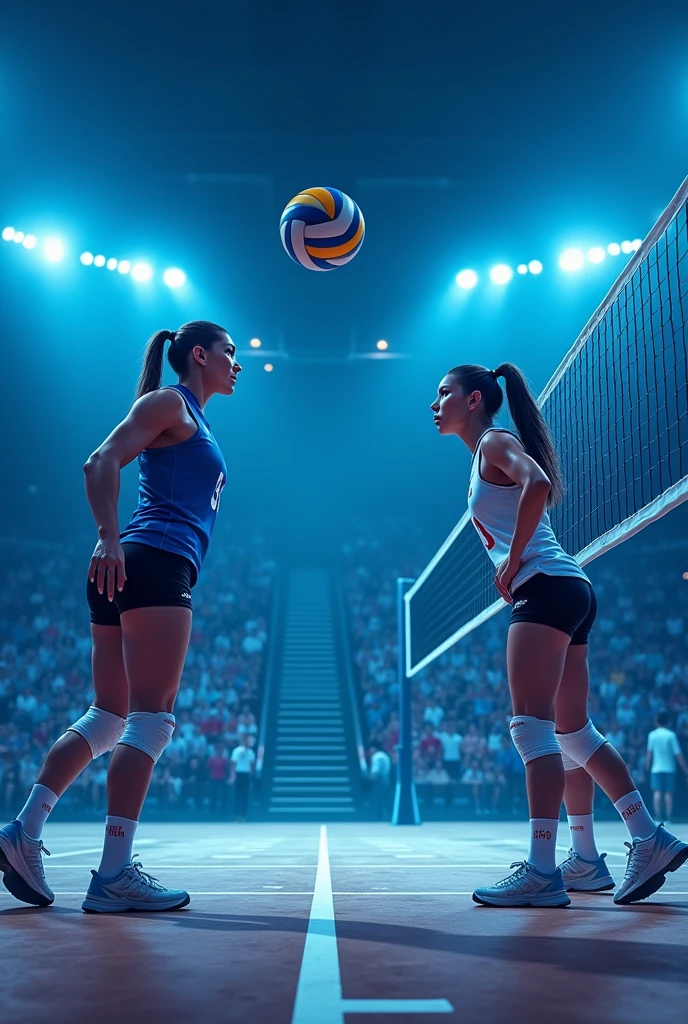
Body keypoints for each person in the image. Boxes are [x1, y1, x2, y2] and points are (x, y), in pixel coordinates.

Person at [0, 321, 241, 911]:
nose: (238, 364)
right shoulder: (168, 402)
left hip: (132, 563)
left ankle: (22, 832)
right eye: (230, 353)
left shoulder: (192, 416)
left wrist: (113, 544)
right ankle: (113, 873)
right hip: (153, 560)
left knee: (108, 716)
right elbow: (99, 461)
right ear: (200, 356)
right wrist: (107, 535)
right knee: (150, 720)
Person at [430, 362, 688, 907]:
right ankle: (631, 843)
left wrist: (512, 559)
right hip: (570, 587)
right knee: (572, 733)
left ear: (475, 399)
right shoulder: (485, 454)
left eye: (444, 393)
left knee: (532, 730)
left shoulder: (495, 442)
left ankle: (542, 871)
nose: (436, 404)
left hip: (544, 587)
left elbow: (539, 483)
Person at [646, 712, 688, 824]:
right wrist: (685, 769)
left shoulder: (652, 735)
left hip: (656, 768)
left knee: (657, 792)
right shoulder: (671, 735)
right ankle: (668, 818)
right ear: (668, 721)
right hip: (669, 768)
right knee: (669, 793)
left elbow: (649, 753)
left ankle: (658, 817)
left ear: (656, 720)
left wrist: (646, 766)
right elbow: (678, 754)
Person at [230, 734, 256, 822]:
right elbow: (233, 763)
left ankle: (243, 815)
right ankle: (236, 815)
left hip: (246, 774)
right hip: (238, 773)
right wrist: (232, 775)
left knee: (245, 795)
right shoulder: (237, 751)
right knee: (238, 795)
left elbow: (252, 765)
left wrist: (251, 775)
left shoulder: (251, 752)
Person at [368, 741, 392, 820]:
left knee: (378, 799)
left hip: (379, 781)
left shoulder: (376, 757)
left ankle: (379, 815)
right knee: (385, 798)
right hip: (386, 780)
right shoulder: (385, 756)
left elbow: (376, 770)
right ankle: (385, 814)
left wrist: (370, 779)